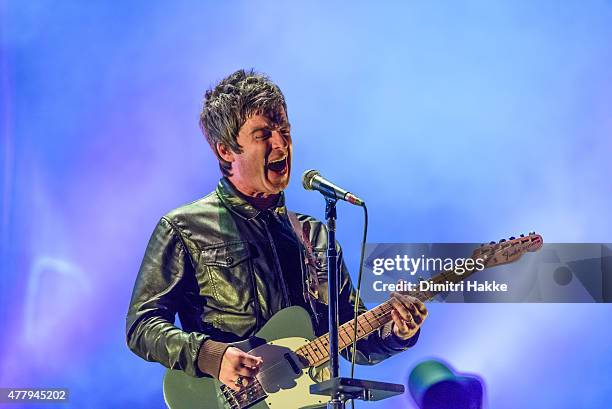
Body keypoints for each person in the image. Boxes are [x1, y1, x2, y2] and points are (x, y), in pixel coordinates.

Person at [126, 69, 428, 394]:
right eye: (263, 134)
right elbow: (142, 326)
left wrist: (396, 333)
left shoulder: (315, 235)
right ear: (225, 150)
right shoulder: (185, 228)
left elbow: (349, 338)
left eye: (284, 129)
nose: (281, 143)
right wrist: (212, 356)